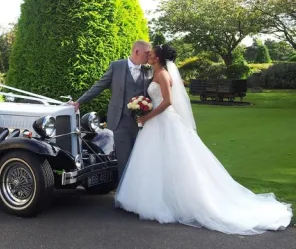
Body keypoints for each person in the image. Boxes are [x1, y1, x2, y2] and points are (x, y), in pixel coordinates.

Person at [114, 43, 292, 235]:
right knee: (156, 161)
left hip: (163, 121)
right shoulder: (154, 73)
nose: (148, 56)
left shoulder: (162, 75)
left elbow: (167, 101)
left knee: (174, 160)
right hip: (155, 123)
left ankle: (174, 201)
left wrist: (147, 116)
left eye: (151, 54)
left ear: (157, 58)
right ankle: (156, 197)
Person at [71, 40, 153, 181]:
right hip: (120, 120)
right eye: (147, 53)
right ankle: (121, 197)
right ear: (137, 52)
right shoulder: (116, 66)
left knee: (139, 160)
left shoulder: (149, 69)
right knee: (123, 159)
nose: (149, 56)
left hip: (143, 123)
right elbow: (99, 86)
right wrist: (80, 101)